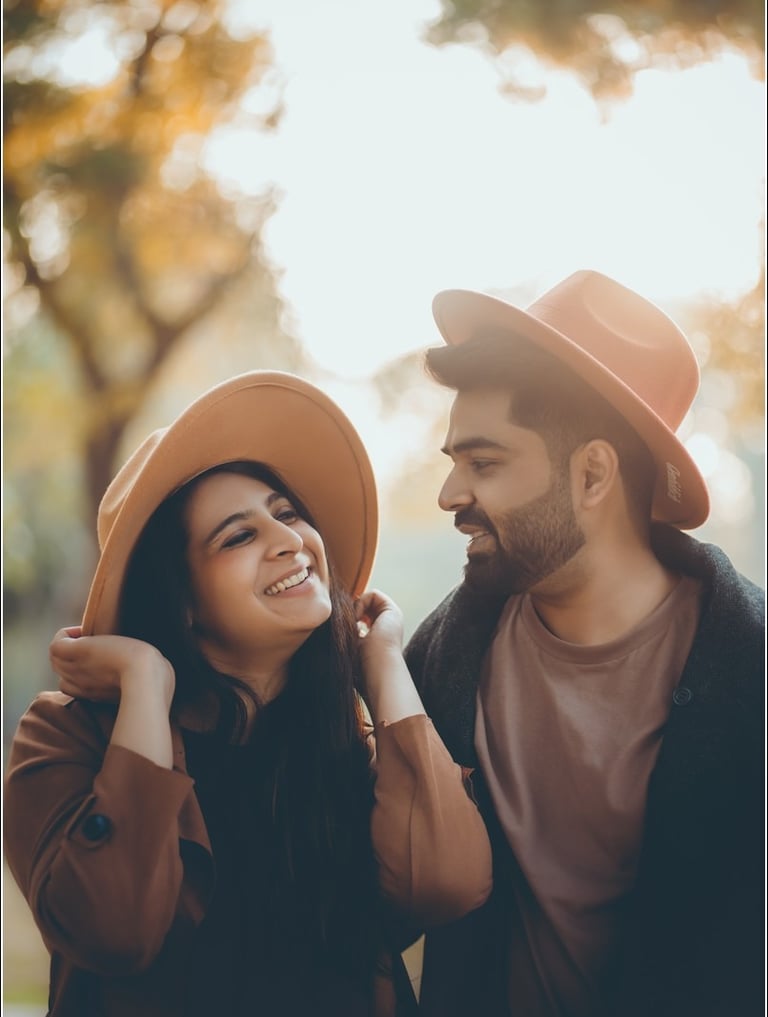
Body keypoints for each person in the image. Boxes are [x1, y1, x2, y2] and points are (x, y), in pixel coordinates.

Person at [4, 370, 492, 1017]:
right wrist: (146, 684)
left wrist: (382, 664)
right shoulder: (65, 736)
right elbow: (116, 929)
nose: (289, 539)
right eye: (238, 535)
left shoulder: (340, 738)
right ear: (181, 606)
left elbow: (447, 883)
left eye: (286, 512)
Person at [404, 270, 764, 1017]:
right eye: (454, 464)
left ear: (593, 472)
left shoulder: (752, 668)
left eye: (485, 462)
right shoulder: (442, 655)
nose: (450, 495)